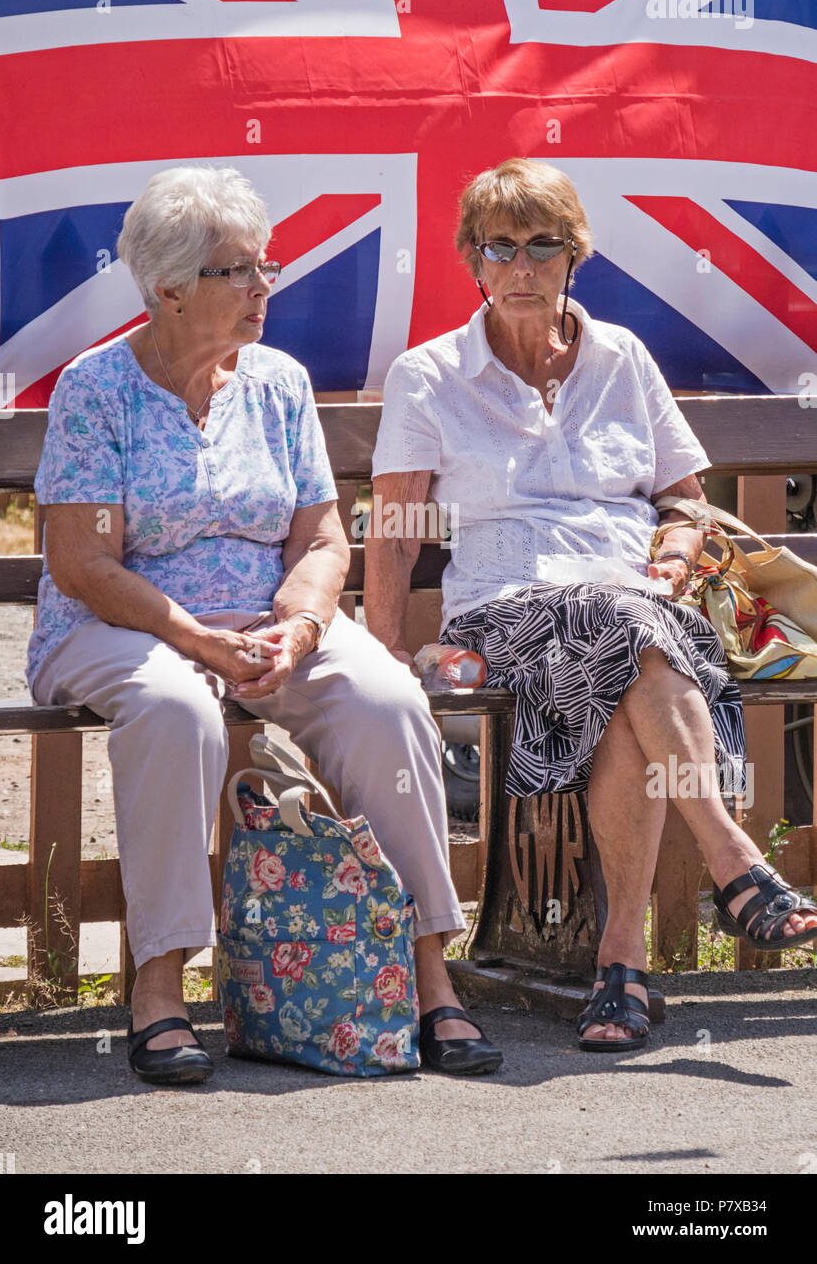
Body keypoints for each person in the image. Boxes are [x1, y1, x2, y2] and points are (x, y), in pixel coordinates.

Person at [26, 165, 502, 1083]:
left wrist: (302, 625)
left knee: (388, 701)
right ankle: (159, 986)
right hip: (120, 628)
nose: (261, 289)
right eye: (236, 272)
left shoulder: (279, 383)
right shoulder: (97, 391)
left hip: (265, 627)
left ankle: (428, 977)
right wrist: (195, 640)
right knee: (175, 707)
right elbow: (83, 564)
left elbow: (322, 536)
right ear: (166, 292)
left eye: (263, 267)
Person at [365, 157, 817, 1052]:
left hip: (631, 606)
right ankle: (733, 862)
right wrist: (383, 657)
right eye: (501, 248)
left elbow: (681, 496)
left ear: (575, 256)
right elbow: (397, 527)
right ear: (471, 260)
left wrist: (680, 543)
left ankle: (620, 970)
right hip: (503, 609)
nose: (522, 268)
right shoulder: (430, 374)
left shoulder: (620, 357)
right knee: (631, 632)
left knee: (625, 656)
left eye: (543, 246)